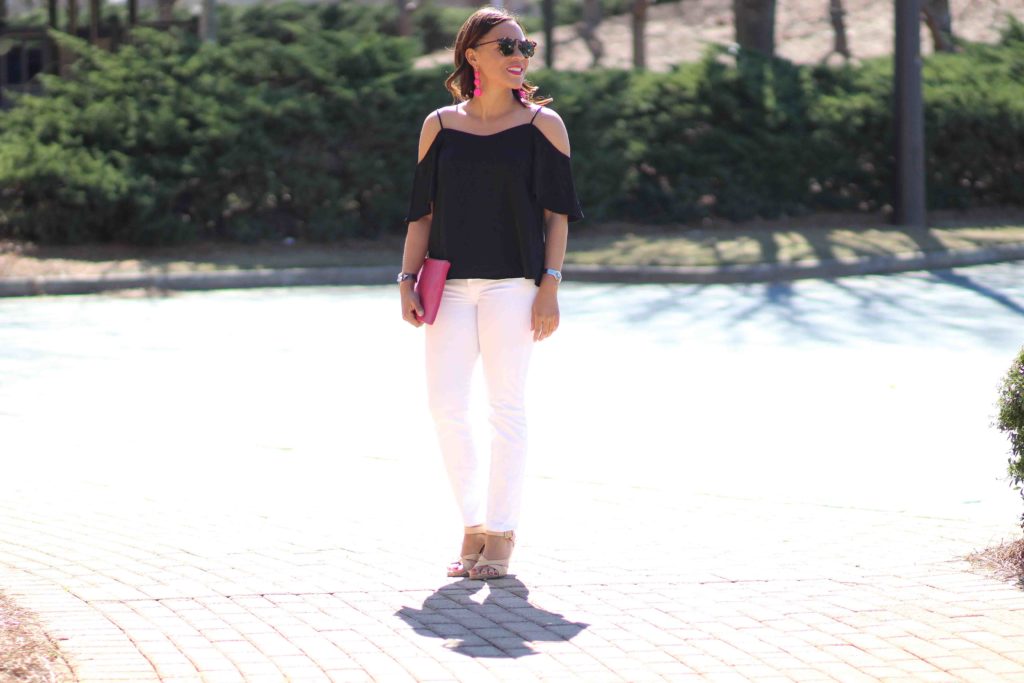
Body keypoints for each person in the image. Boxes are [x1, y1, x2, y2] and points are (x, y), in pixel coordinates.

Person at [398, 6, 583, 580]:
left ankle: (501, 532)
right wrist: (406, 278)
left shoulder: (542, 127)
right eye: (504, 46)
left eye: (523, 47)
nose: (517, 56)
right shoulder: (440, 125)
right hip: (448, 286)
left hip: (513, 284)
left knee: (506, 409)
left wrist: (549, 287)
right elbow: (420, 214)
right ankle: (473, 524)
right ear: (471, 53)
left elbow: (558, 218)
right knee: (445, 407)